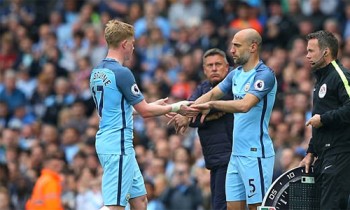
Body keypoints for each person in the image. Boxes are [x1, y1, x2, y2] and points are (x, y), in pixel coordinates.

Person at [89, 19, 190, 210]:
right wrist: (176, 107)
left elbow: (116, 109)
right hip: (117, 144)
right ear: (124, 44)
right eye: (133, 43)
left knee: (140, 200)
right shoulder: (122, 72)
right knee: (115, 206)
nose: (133, 48)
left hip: (114, 142)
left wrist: (152, 105)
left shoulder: (96, 72)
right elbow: (145, 112)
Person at [181, 28, 277, 210]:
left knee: (257, 207)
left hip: (255, 153)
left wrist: (212, 106)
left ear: (253, 47)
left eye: (237, 46)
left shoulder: (264, 75)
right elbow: (212, 94)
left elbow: (244, 105)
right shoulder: (236, 74)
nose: (232, 50)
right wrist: (185, 112)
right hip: (235, 154)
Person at [168, 48, 233, 210]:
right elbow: (188, 112)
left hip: (232, 155)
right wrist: (213, 113)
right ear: (204, 70)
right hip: (215, 158)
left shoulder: (235, 82)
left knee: (223, 206)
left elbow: (229, 99)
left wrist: (205, 111)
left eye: (218, 64)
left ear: (227, 66)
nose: (214, 68)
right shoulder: (202, 88)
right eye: (210, 65)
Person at [299, 30, 350, 209]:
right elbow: (320, 122)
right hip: (324, 155)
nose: (307, 56)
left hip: (340, 153)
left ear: (326, 52)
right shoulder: (320, 80)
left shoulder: (340, 75)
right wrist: (311, 152)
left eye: (311, 51)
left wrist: (324, 118)